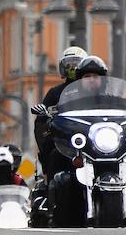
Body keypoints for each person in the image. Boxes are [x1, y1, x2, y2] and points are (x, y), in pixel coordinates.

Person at [34, 46, 89, 183]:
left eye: (76, 64)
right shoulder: (55, 92)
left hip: (93, 140)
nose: (72, 68)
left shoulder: (94, 91)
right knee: (54, 156)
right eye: (69, 65)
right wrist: (46, 121)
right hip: (66, 141)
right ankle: (52, 188)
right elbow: (41, 121)